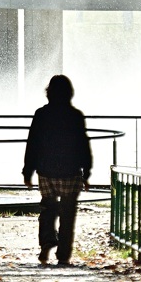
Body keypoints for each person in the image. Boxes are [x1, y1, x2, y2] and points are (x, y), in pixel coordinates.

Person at [22, 74, 92, 266]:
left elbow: (33, 144)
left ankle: (46, 243)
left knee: (47, 208)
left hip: (46, 170)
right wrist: (87, 172)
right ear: (70, 93)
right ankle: (63, 256)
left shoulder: (41, 114)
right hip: (70, 171)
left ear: (49, 93)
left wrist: (28, 171)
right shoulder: (75, 116)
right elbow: (82, 145)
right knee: (68, 214)